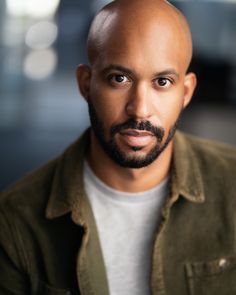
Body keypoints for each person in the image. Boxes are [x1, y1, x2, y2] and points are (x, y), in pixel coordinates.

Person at [1, 0, 236, 294]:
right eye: (119, 79)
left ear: (185, 92)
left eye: (162, 82)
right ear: (86, 84)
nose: (140, 109)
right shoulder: (15, 220)